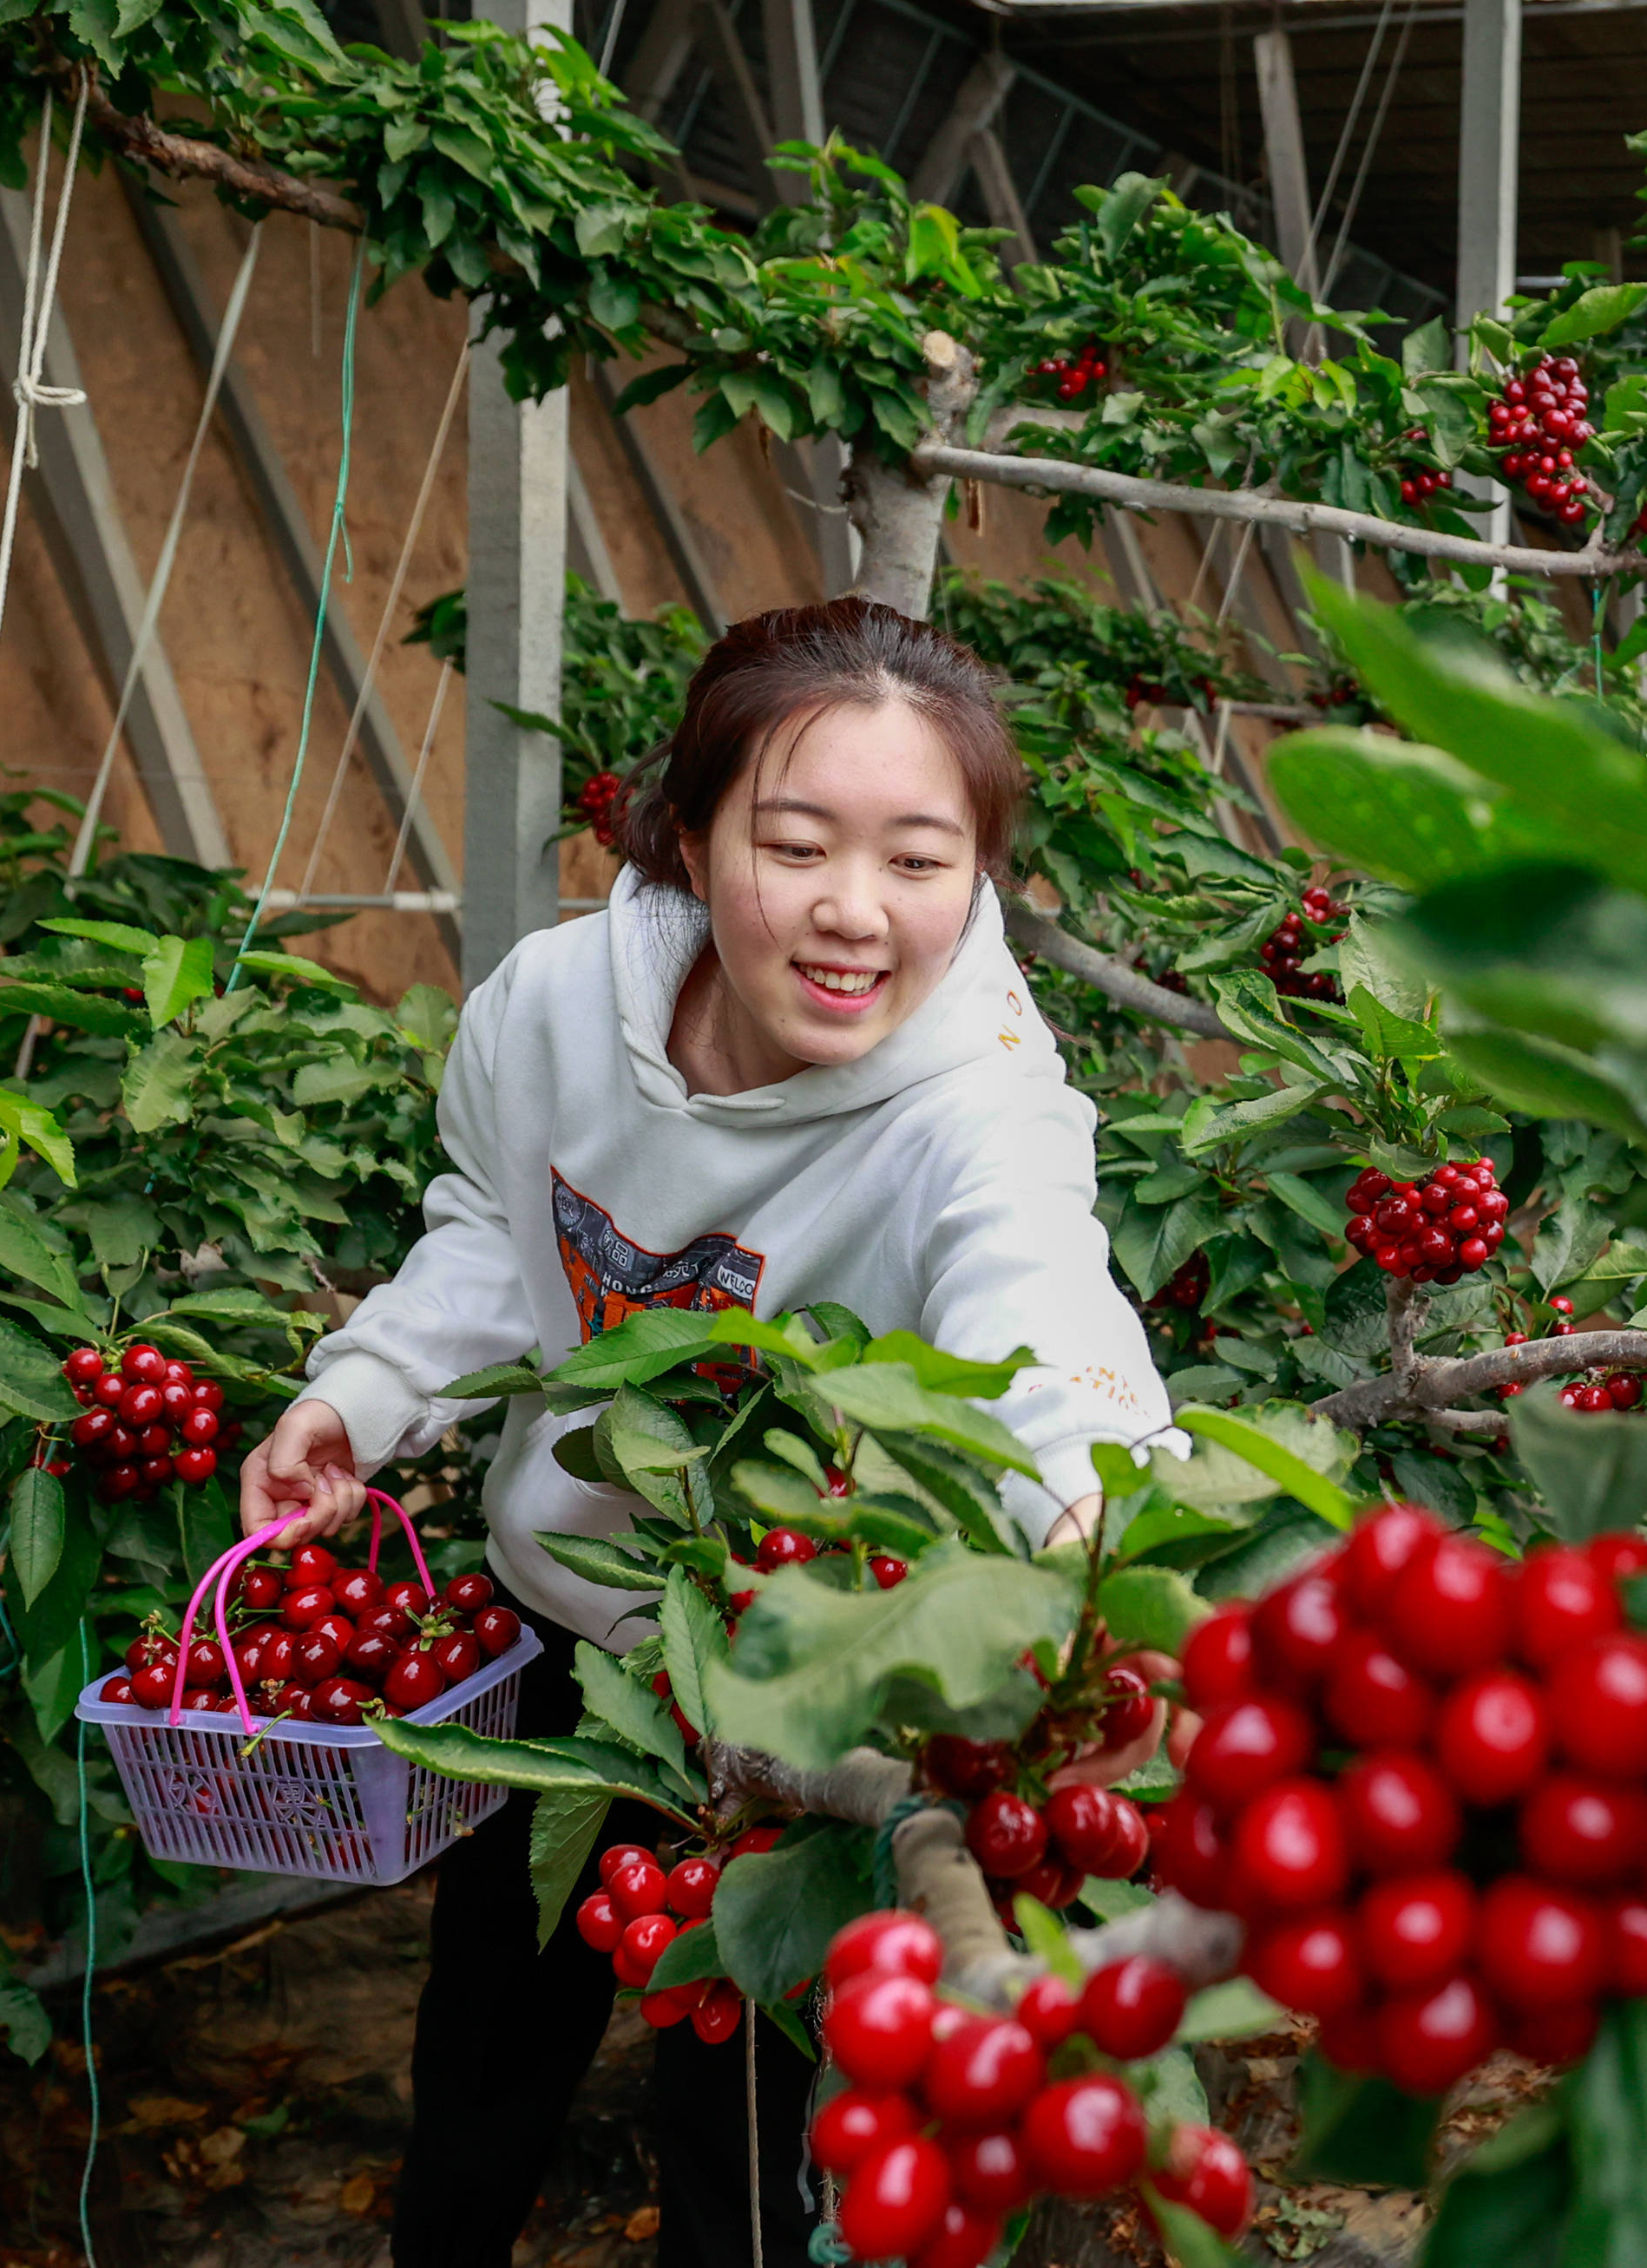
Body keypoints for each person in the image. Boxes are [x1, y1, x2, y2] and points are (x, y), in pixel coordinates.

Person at [236, 597, 1176, 2267]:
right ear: (685, 832)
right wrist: (364, 1393)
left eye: (919, 861)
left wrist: (1088, 1558)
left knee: (737, 2132)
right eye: (797, 844)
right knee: (483, 2053)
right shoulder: (546, 1010)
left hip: (794, 1692)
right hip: (570, 1641)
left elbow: (1042, 1305)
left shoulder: (978, 1111)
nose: (854, 915)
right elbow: (491, 1220)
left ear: (979, 876)